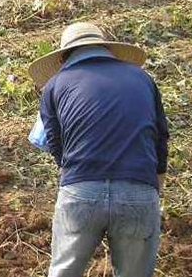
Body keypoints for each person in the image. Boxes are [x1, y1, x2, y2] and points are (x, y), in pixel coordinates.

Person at [28, 22, 169, 277]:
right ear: (106, 48)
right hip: (138, 189)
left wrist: (73, 176)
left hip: (81, 190)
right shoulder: (143, 79)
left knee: (64, 272)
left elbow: (56, 145)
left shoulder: (55, 85)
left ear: (64, 57)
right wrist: (155, 183)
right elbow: (160, 137)